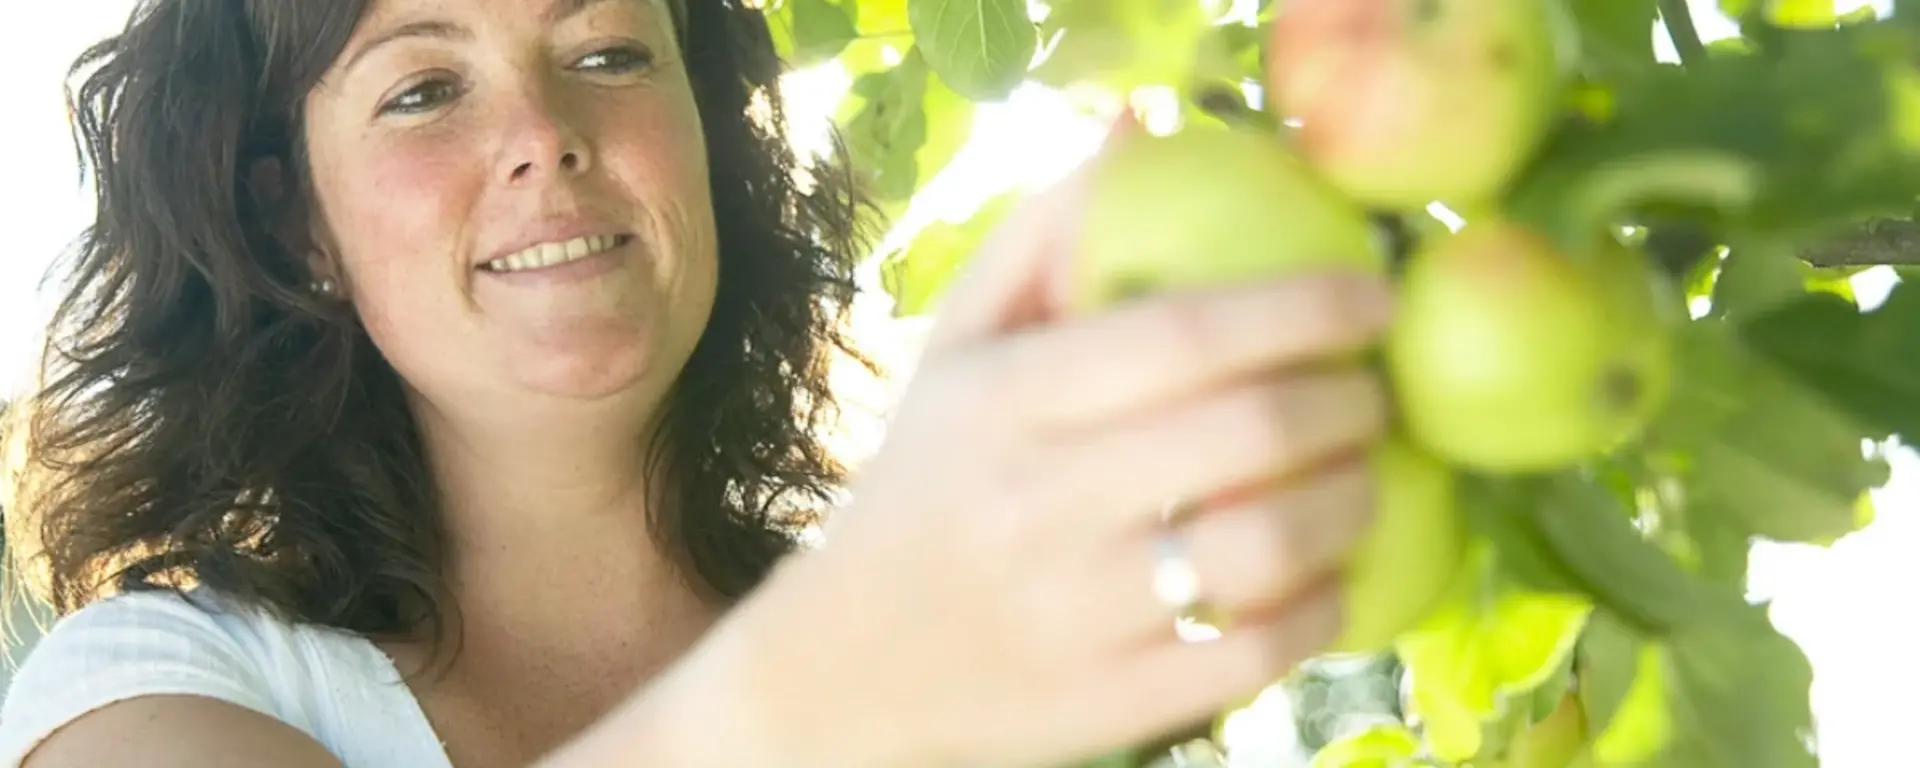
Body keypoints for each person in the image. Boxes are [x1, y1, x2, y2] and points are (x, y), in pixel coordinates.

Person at [0, 0, 1395, 766]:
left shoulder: (954, 638)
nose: (547, 135)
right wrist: (850, 666)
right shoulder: (158, 687)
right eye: (424, 88)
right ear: (298, 220)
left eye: (608, 53)